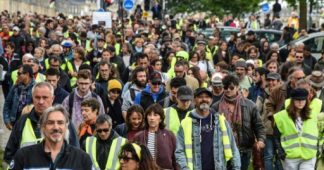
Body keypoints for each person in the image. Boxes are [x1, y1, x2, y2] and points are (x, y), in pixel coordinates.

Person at [4, 82, 79, 165]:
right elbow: (9, 154)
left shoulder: (64, 122)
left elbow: (75, 154)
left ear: (52, 98)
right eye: (37, 97)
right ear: (32, 98)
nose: (41, 102)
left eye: (45, 97)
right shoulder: (23, 122)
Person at [9, 105, 92, 170]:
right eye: (50, 123)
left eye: (60, 123)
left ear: (66, 127)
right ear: (42, 127)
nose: (56, 127)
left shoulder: (82, 158)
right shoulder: (23, 156)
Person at [176, 87, 241, 170]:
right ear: (194, 100)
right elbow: (179, 151)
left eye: (207, 97)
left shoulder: (221, 121)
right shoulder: (186, 123)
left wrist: (236, 167)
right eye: (200, 97)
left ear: (211, 100)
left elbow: (233, 148)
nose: (204, 99)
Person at [212, 75, 266, 170]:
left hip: (243, 149)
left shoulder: (250, 105)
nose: (228, 90)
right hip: (223, 148)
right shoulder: (215, 107)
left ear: (237, 87)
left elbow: (258, 125)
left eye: (231, 87)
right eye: (225, 87)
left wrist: (261, 140)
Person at [274, 88, 318, 169]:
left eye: (303, 100)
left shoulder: (313, 115)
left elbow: (317, 132)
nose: (300, 102)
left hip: (309, 155)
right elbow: (276, 136)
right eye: (297, 100)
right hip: (290, 156)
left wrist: (317, 148)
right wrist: (280, 152)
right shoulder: (281, 116)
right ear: (292, 101)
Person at [133, 103, 178, 169]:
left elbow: (176, 159)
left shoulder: (170, 135)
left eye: (155, 115)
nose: (152, 118)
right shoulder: (138, 136)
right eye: (149, 115)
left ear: (161, 119)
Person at [3, 64, 35, 129]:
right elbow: (7, 103)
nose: (17, 75)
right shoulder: (15, 86)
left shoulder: (36, 87)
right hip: (15, 122)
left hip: (29, 123)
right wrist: (7, 120)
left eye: (19, 73)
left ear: (27, 74)